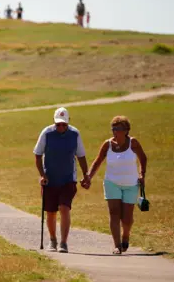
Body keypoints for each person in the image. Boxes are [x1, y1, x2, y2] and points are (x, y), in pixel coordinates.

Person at [85, 116, 147, 255]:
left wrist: (142, 174)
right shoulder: (107, 145)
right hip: (111, 182)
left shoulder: (133, 143)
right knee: (114, 213)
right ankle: (117, 245)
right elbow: (98, 161)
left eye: (118, 129)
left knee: (127, 217)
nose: (115, 132)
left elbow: (143, 158)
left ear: (126, 130)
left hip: (131, 184)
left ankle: (126, 235)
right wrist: (89, 176)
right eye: (113, 129)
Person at [33, 107, 89, 253]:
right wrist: (42, 175)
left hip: (68, 179)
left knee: (64, 208)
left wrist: (86, 175)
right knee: (51, 212)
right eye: (58, 124)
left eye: (64, 124)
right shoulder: (47, 133)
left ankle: (63, 243)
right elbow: (38, 155)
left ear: (68, 122)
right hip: (50, 179)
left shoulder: (75, 134)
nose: (61, 127)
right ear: (54, 122)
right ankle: (52, 240)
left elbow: (81, 156)